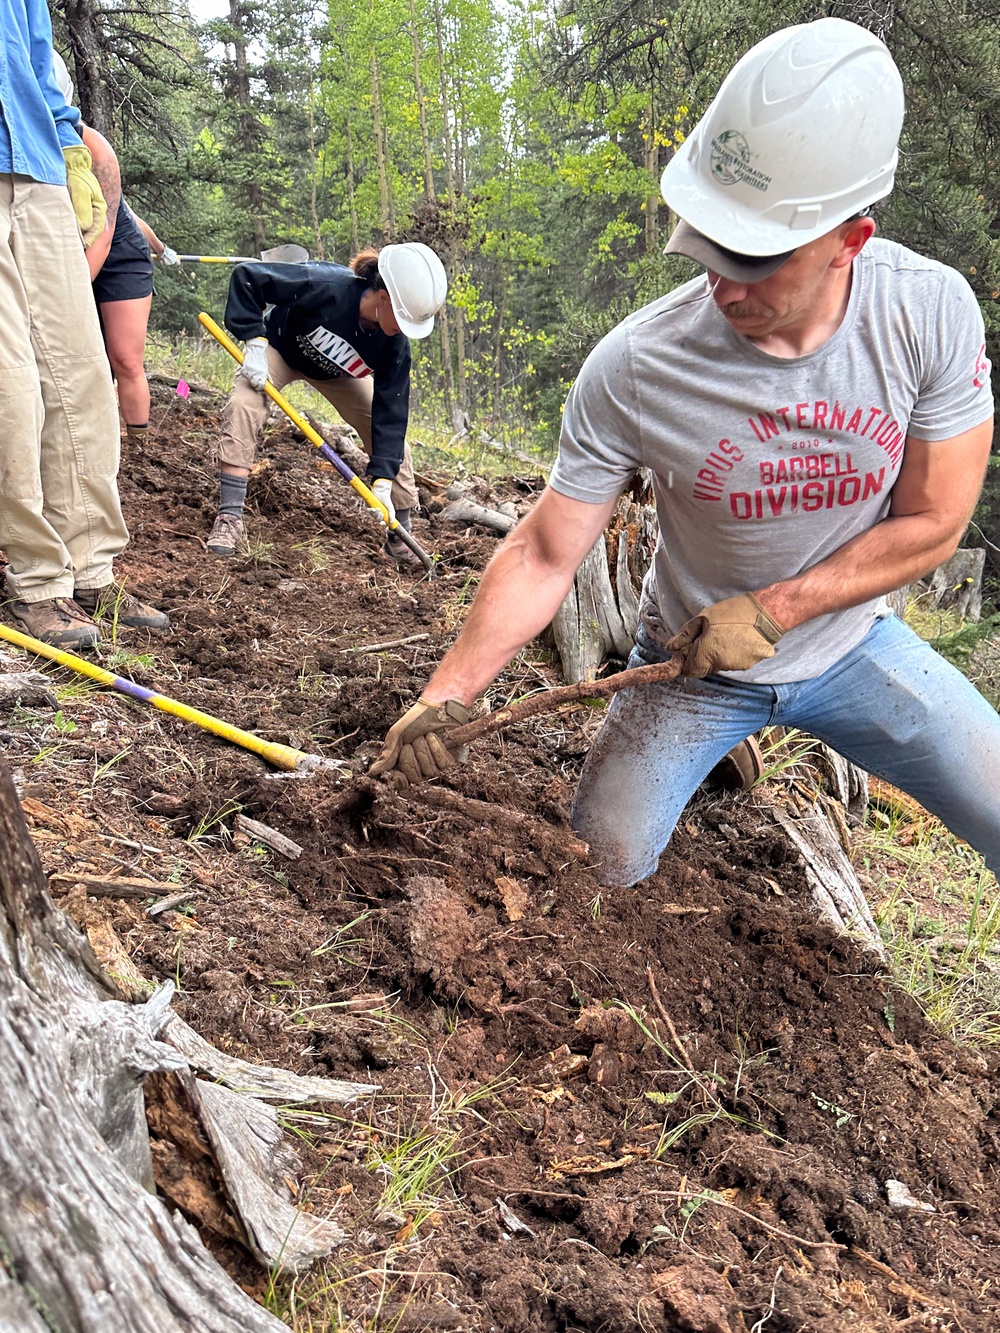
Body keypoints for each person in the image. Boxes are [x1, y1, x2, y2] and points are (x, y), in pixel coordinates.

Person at [372, 17, 1000, 887]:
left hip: (854, 645)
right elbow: (548, 549)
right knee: (603, 869)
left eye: (755, 258)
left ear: (848, 241)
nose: (722, 283)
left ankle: (725, 754)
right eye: (709, 243)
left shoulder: (928, 313)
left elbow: (935, 520)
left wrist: (779, 606)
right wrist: (450, 692)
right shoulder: (639, 367)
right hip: (691, 662)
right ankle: (712, 748)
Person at [0, 5, 168, 648]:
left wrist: (69, 144)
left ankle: (92, 566)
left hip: (39, 164)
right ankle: (39, 581)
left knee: (82, 376)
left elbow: (38, 60)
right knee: (12, 387)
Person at [208, 243, 447, 563]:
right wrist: (253, 340)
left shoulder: (395, 346)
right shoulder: (326, 286)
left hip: (341, 374)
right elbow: (248, 277)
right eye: (403, 319)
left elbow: (391, 413)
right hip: (281, 351)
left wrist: (383, 481)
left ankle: (399, 533)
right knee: (244, 402)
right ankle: (230, 516)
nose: (404, 331)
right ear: (384, 298)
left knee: (395, 445)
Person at [51, 52, 181, 448]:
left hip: (118, 257)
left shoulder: (94, 148)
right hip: (70, 255)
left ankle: (139, 450)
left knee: (124, 358)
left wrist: (159, 250)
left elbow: (114, 229)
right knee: (83, 361)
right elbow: (137, 216)